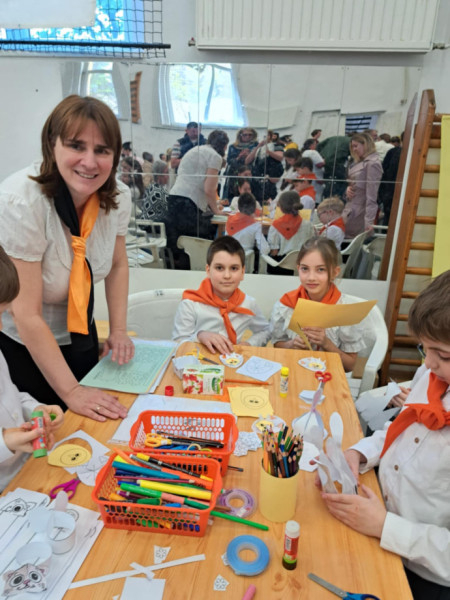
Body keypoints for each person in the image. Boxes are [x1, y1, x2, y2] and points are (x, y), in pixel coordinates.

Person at [0, 95, 134, 421]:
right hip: (26, 345)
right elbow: (26, 313)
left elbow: (117, 265)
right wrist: (72, 391)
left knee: (91, 427)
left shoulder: (118, 196)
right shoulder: (21, 201)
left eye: (102, 150)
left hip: (81, 337)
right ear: (52, 144)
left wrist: (118, 330)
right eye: (76, 146)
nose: (89, 162)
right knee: (47, 435)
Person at [320, 269, 450, 599]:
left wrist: (385, 526)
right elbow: (404, 426)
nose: (428, 364)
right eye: (424, 349)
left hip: (425, 572)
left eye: (443, 355)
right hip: (379, 519)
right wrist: (361, 452)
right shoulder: (433, 375)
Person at [0, 246, 64, 491]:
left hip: (26, 471)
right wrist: (5, 441)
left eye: (3, 313)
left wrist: (35, 410)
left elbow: (10, 396)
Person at [270, 238, 364, 371]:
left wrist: (327, 344)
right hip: (293, 372)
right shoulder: (286, 305)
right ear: (298, 269)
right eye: (305, 269)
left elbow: (350, 366)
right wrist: (292, 344)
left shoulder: (345, 310)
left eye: (320, 269)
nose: (311, 277)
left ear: (334, 272)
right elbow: (277, 345)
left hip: (329, 376)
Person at [172, 236, 270, 354]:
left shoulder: (249, 304)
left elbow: (266, 330)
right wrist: (199, 336)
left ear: (242, 272)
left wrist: (249, 343)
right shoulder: (190, 304)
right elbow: (178, 343)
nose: (227, 275)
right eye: (219, 268)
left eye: (234, 268)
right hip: (198, 361)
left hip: (232, 360)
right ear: (208, 270)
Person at [165, 130, 229, 269]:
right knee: (198, 240)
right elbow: (209, 189)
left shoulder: (196, 150)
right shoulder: (215, 156)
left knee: (179, 246)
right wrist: (217, 211)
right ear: (224, 146)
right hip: (189, 203)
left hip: (174, 197)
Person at [343, 132, 383, 238]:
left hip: (360, 214)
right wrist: (347, 189)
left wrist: (368, 223)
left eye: (356, 146)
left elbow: (372, 196)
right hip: (351, 209)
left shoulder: (372, 163)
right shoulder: (360, 162)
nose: (354, 149)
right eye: (352, 147)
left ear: (365, 144)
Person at [267, 191, 314, 274]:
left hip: (282, 267)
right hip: (303, 265)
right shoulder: (308, 224)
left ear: (281, 207)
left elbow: (274, 252)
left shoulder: (275, 225)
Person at [222, 128, 258, 202]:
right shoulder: (233, 147)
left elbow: (259, 162)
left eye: (250, 135)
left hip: (251, 174)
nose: (247, 137)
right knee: (233, 195)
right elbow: (230, 161)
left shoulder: (256, 146)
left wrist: (251, 156)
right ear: (240, 135)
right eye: (245, 135)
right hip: (235, 175)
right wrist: (239, 156)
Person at [301, 138, 325, 203]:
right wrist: (325, 161)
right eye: (315, 144)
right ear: (311, 145)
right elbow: (319, 164)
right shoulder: (312, 152)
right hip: (316, 179)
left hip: (308, 178)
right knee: (317, 198)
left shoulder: (304, 153)